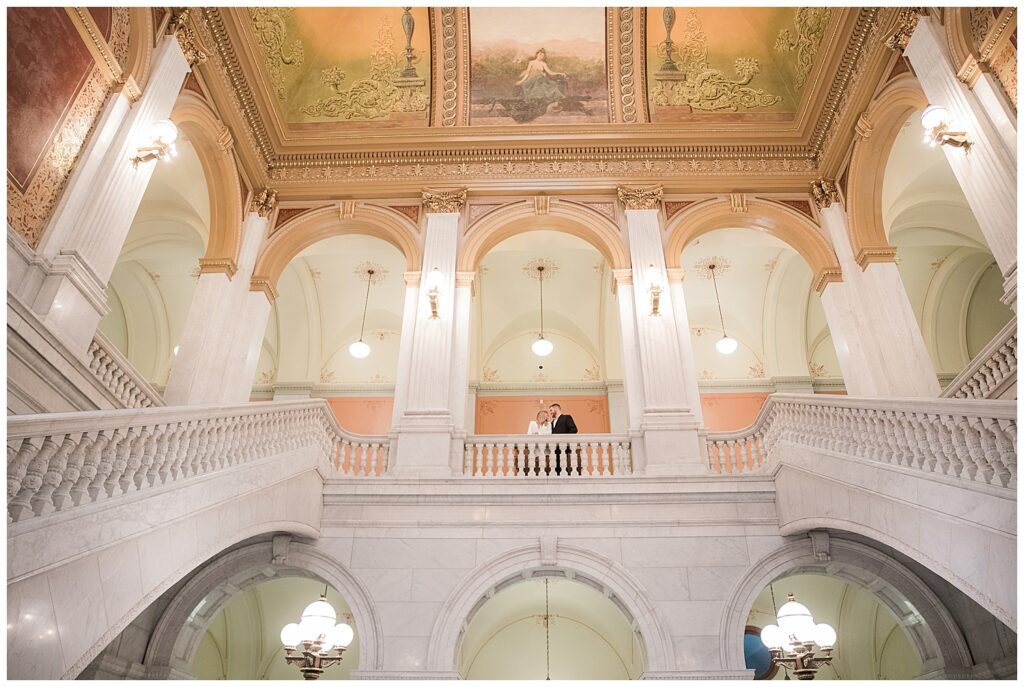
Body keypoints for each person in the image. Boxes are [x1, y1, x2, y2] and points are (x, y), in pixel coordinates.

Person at [549, 403, 578, 476]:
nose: (550, 412)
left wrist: (564, 440)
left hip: (565, 448)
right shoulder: (552, 422)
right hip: (554, 449)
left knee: (564, 468)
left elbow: (574, 430)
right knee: (555, 468)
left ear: (556, 409)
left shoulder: (566, 417)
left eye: (551, 410)